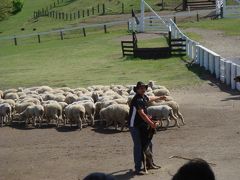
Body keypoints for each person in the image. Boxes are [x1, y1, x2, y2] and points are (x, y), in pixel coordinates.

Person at [128, 81, 166, 175]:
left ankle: (150, 164)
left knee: (149, 144)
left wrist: (159, 97)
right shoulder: (137, 100)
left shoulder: (143, 97)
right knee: (138, 146)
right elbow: (142, 114)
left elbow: (150, 98)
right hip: (134, 125)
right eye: (140, 88)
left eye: (144, 88)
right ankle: (138, 168)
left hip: (141, 125)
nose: (143, 89)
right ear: (137, 90)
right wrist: (152, 124)